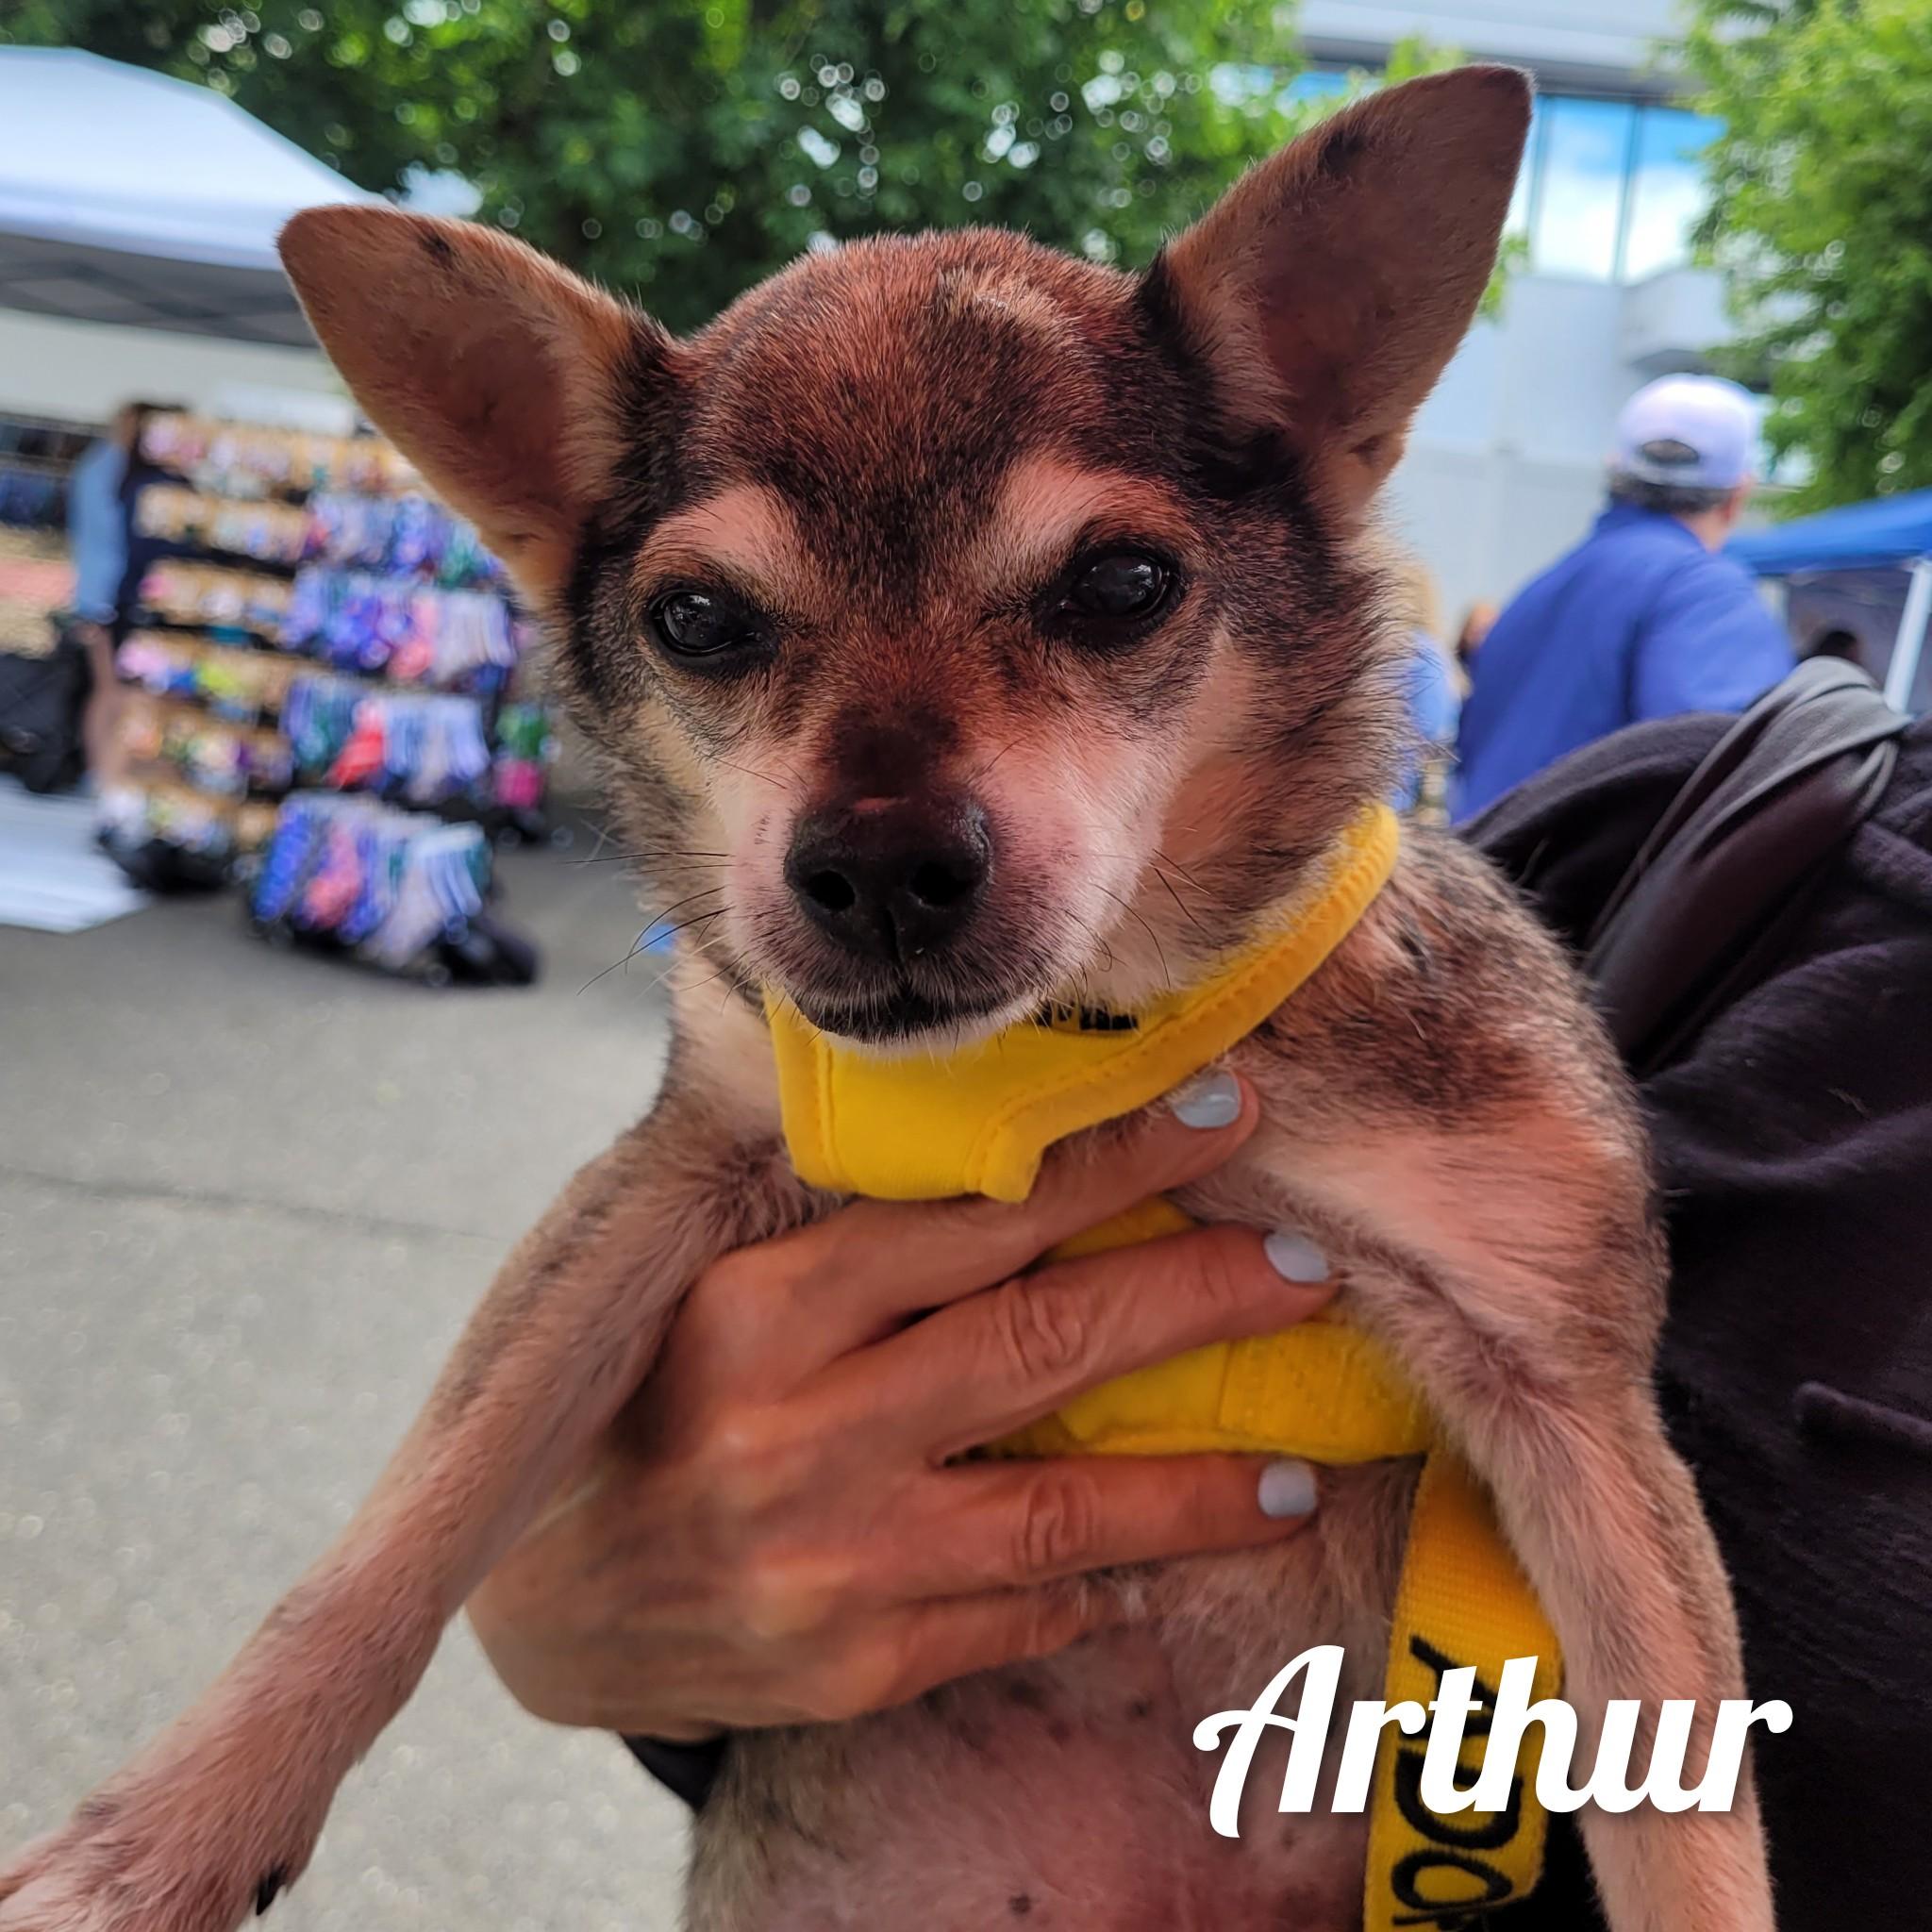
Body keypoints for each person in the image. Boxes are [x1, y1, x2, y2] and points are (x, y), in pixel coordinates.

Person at [1453, 375, 1794, 820]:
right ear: (1738, 496)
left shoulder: (1539, 591)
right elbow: (1726, 782)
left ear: (1615, 472)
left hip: (1479, 868)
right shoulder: (1703, 592)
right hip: (1578, 886)